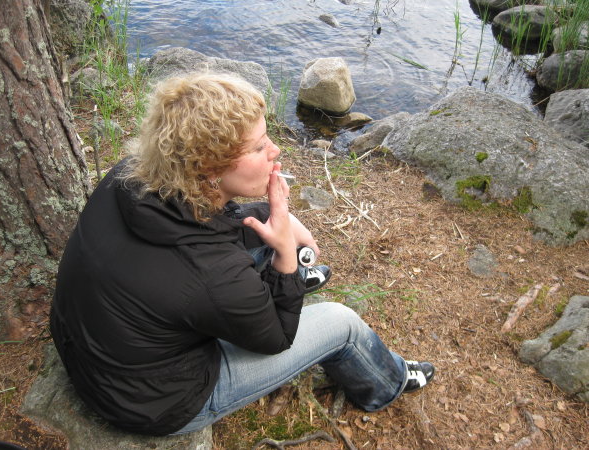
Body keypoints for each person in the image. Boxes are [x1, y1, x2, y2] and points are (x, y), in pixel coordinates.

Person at [49, 73, 435, 436]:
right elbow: (277, 337)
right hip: (155, 401)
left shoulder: (130, 176)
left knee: (254, 225)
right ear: (209, 168)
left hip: (95, 355)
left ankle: (278, 286)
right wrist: (285, 256)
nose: (275, 150)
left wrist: (274, 215)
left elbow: (207, 232)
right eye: (258, 147)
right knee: (342, 323)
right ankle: (387, 382)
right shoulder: (214, 274)